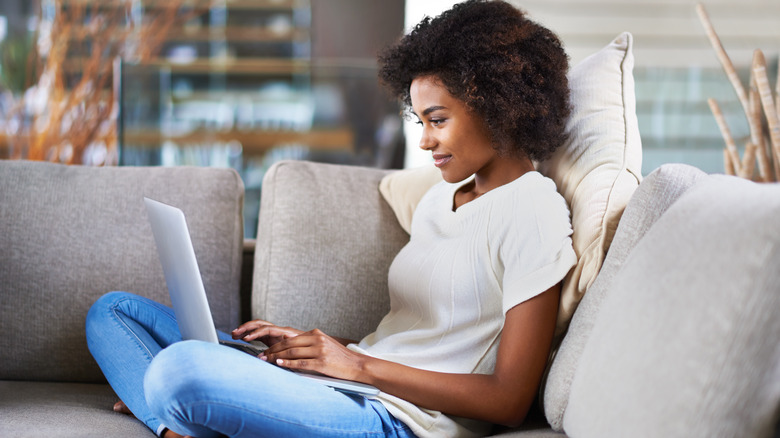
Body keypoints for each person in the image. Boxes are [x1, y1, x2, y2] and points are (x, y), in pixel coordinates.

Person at [85, 1, 576, 437]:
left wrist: (357, 366)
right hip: (348, 381)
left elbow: (508, 400)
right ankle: (182, 423)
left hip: (393, 418)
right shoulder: (438, 199)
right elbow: (404, 343)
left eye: (439, 120)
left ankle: (175, 416)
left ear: (499, 107)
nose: (425, 141)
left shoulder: (532, 210)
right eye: (420, 121)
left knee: (177, 372)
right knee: (113, 313)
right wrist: (310, 347)